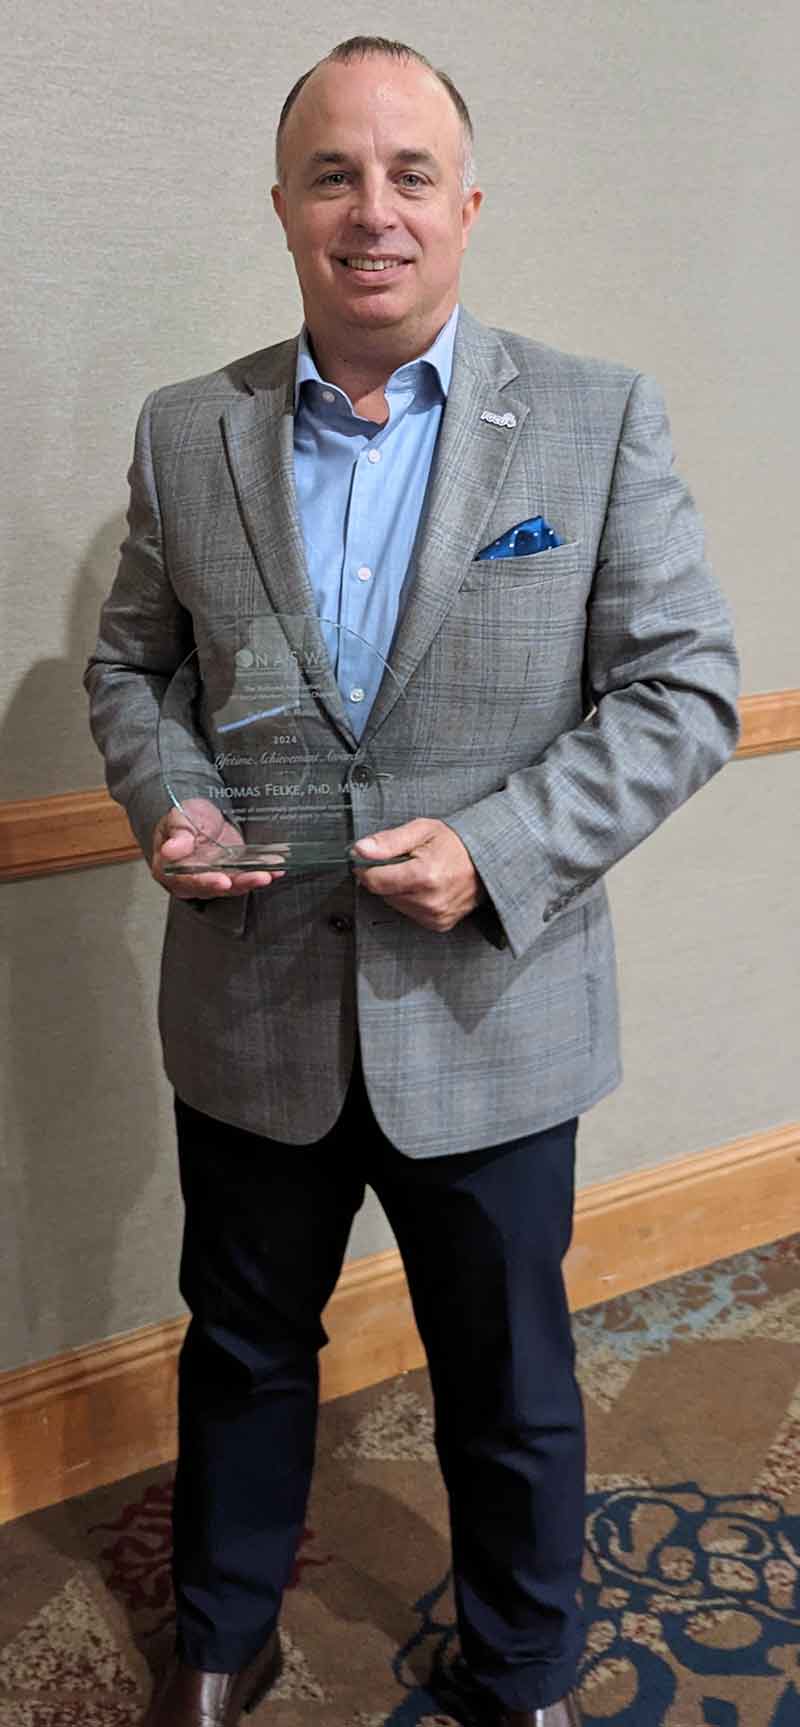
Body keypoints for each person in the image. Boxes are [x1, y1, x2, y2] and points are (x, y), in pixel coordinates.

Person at [85, 35, 740, 1727]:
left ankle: (518, 1670)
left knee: (510, 1389)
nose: (370, 211)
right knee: (238, 1359)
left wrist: (498, 849)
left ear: (466, 205)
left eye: (408, 175)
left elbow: (684, 690)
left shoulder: (595, 421)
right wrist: (173, 801)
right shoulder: (188, 430)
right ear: (286, 207)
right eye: (332, 175)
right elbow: (133, 668)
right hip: (251, 1003)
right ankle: (221, 1647)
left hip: (496, 1008)